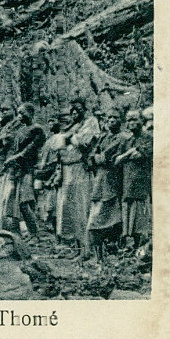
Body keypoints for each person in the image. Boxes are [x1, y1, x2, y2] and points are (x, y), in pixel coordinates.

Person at [55, 99, 100, 259]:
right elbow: (59, 145)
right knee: (69, 208)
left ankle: (87, 249)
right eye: (72, 111)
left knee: (82, 207)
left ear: (84, 110)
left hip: (80, 169)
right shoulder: (72, 126)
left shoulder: (91, 121)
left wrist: (69, 138)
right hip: (68, 170)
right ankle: (77, 247)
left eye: (78, 110)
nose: (74, 113)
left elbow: (83, 141)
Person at [86, 109, 129, 259]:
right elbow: (91, 157)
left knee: (113, 217)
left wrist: (98, 158)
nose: (111, 120)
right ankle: (99, 257)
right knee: (96, 217)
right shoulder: (103, 137)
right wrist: (96, 158)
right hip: (99, 181)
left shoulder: (123, 138)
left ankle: (113, 251)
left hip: (113, 180)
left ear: (121, 121)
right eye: (109, 117)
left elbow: (107, 157)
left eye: (115, 118)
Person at [1, 103, 47, 237]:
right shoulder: (21, 130)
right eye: (18, 113)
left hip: (30, 169)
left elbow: (29, 150)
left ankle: (35, 233)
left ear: (31, 113)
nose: (20, 116)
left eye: (23, 113)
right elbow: (16, 149)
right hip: (18, 170)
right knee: (16, 203)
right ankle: (21, 232)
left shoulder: (37, 129)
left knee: (25, 203)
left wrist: (12, 159)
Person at [117, 110, 152, 250]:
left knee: (140, 215)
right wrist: (130, 153)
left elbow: (141, 155)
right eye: (129, 120)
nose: (131, 123)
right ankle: (129, 245)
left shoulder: (148, 137)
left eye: (134, 120)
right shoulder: (128, 140)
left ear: (141, 121)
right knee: (128, 214)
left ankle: (140, 245)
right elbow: (116, 160)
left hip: (141, 184)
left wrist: (126, 155)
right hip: (127, 183)